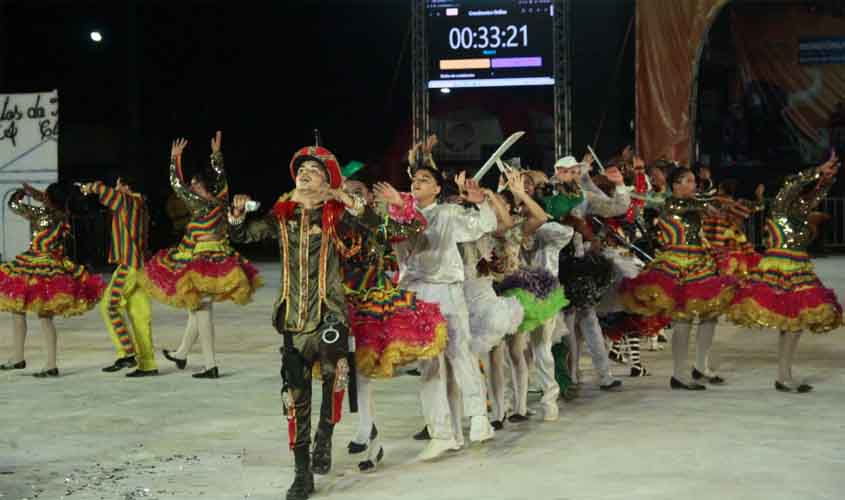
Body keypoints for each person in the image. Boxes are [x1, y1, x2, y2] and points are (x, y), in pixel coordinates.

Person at [229, 143, 415, 499]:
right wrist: (237, 215)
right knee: (295, 397)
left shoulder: (336, 213)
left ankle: (326, 434)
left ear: (326, 180)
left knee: (335, 370)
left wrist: (340, 196)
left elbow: (374, 224)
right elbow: (242, 236)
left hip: (329, 311)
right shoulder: (281, 214)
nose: (304, 173)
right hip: (293, 318)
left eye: (313, 170)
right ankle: (302, 473)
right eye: (301, 169)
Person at [142, 131, 262, 379]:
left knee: (200, 310)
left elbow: (177, 185)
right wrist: (216, 155)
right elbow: (221, 177)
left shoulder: (201, 203)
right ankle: (182, 354)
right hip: (215, 260)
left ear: (203, 187)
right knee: (196, 309)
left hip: (206, 262)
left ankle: (210, 365)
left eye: (196, 184)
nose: (191, 187)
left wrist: (175, 159)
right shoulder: (222, 200)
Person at [729, 152, 842, 392]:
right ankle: (784, 375)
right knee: (792, 322)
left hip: (799, 266)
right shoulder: (780, 206)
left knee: (795, 322)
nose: (802, 194)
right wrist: (818, 170)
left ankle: (784, 374)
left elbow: (814, 195)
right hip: (780, 267)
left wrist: (827, 180)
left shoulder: (800, 211)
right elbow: (794, 184)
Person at [622, 166, 736, 390]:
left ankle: (701, 367)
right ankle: (678, 374)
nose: (694, 185)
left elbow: (701, 211)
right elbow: (693, 204)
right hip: (676, 266)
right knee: (683, 320)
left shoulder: (692, 205)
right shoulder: (671, 203)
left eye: (694, 181)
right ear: (676, 185)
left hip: (699, 263)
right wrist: (711, 203)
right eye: (689, 181)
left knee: (709, 316)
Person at [0, 182, 105, 377]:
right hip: (52, 266)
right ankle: (43, 362)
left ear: (48, 198)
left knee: (20, 310)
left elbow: (14, 206)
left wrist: (21, 193)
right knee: (42, 315)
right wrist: (40, 195)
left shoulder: (40, 214)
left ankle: (28, 360)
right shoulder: (64, 216)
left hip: (34, 265)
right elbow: (56, 204)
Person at [80, 176, 157, 377]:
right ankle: (147, 364)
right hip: (140, 266)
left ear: (126, 187)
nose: (116, 188)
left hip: (129, 265)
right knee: (139, 315)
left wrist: (90, 186)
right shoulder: (141, 205)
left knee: (108, 306)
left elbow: (104, 192)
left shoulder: (128, 201)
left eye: (119, 185)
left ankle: (126, 353)